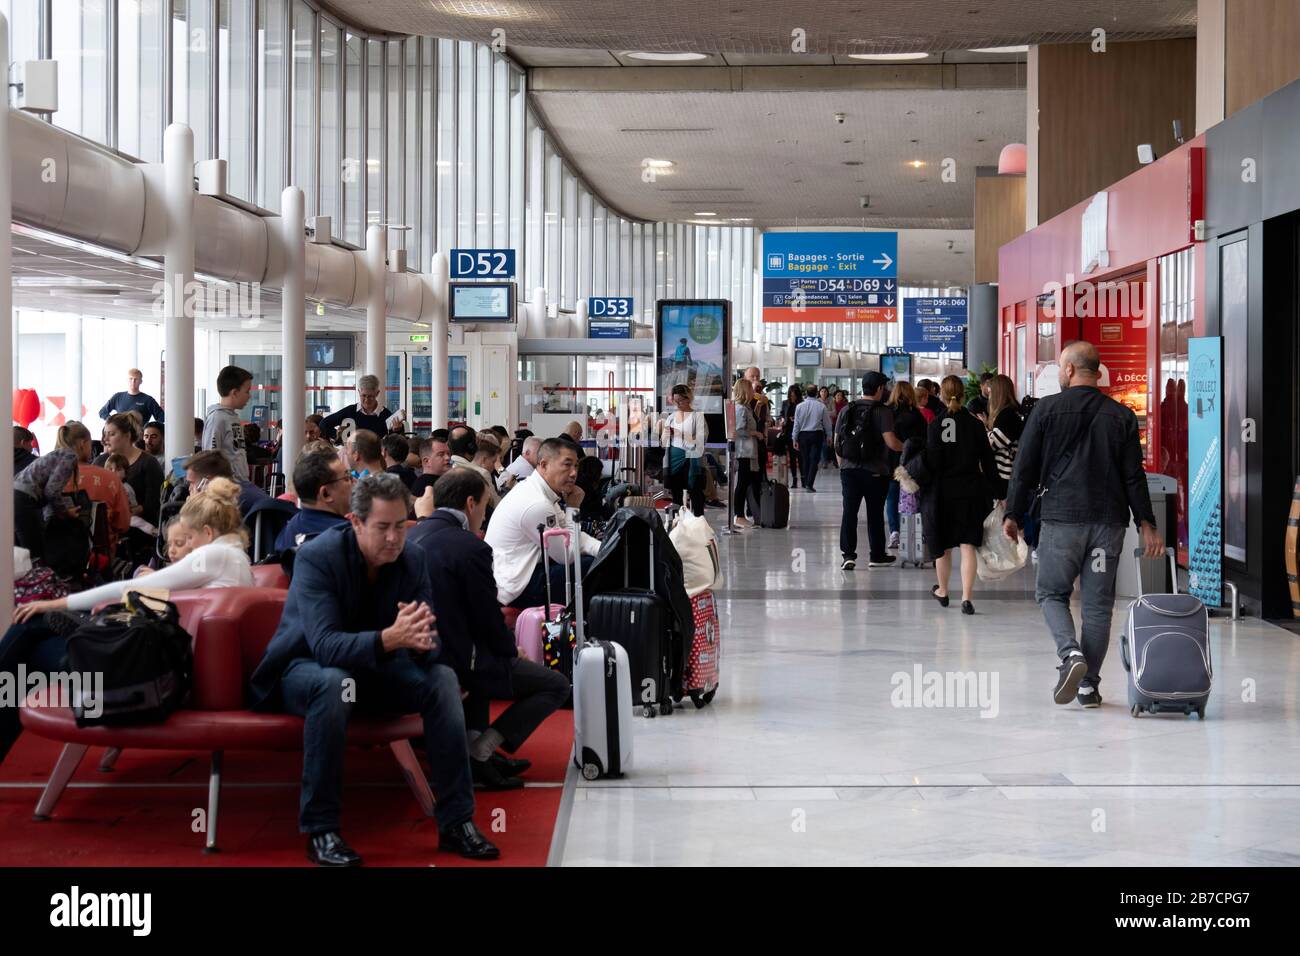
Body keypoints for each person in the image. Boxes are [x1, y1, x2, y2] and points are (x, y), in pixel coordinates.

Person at [248, 473, 498, 865]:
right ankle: (321, 831)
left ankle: (456, 822)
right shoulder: (317, 557)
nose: (394, 538)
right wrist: (391, 640)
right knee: (335, 683)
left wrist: (421, 646)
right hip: (305, 669)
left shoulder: (413, 559)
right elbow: (326, 646)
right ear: (355, 522)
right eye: (382, 528)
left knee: (442, 680)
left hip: (376, 670)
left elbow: (428, 638)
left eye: (401, 526)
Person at [2, 479, 254, 765]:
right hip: (169, 662)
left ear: (207, 533)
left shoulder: (213, 555)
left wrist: (55, 602)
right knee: (26, 656)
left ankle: (82, 627)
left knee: (30, 634)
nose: (185, 548)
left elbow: (126, 590)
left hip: (158, 668)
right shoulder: (235, 557)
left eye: (189, 539)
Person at [1004, 340, 1162, 709]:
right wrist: (1147, 522)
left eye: (1060, 367)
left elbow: (1023, 468)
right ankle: (1088, 685)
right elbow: (1133, 477)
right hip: (1107, 525)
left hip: (1062, 521)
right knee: (1097, 606)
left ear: (1070, 370)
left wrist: (1014, 512)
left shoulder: (1046, 410)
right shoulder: (1121, 416)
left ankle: (1070, 654)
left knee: (1051, 594)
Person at [408, 468, 569, 790]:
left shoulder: (410, 536)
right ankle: (482, 750)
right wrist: (511, 650)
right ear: (470, 503)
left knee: (482, 663)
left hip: (418, 653)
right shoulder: (469, 547)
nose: (484, 515)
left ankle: (474, 750)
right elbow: (485, 615)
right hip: (456, 657)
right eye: (484, 506)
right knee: (555, 685)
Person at [485, 438, 601, 608]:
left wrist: (602, 549)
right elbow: (567, 555)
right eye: (567, 465)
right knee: (592, 567)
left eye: (576, 466)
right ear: (544, 464)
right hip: (516, 586)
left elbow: (571, 534)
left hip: (526, 571)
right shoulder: (537, 503)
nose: (574, 473)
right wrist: (573, 508)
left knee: (597, 560)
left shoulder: (542, 492)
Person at [923, 375, 997, 615]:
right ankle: (966, 598)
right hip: (970, 490)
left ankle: (943, 591)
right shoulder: (975, 424)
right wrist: (999, 491)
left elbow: (931, 460)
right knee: (968, 545)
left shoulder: (935, 425)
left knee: (943, 546)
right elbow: (988, 461)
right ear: (963, 395)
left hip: (941, 492)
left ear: (941, 396)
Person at [835, 372, 902, 571]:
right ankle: (877, 556)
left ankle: (848, 555)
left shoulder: (847, 409)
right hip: (876, 471)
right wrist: (907, 446)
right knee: (874, 514)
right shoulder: (883, 411)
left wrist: (843, 465)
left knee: (849, 512)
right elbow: (891, 442)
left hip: (849, 470)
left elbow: (838, 442)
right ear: (880, 389)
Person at [13, 430, 82, 563]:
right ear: (83, 443)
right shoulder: (70, 456)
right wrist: (66, 513)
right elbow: (52, 491)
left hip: (14, 497)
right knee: (35, 555)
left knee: (22, 554)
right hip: (23, 500)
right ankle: (40, 583)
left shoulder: (55, 455)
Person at [94, 412, 164, 529]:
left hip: (138, 530)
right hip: (105, 529)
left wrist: (129, 511)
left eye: (111, 434)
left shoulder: (148, 463)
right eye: (105, 434)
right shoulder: (100, 461)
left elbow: (154, 503)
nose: (105, 439)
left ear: (127, 435)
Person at [274, 449, 353, 551]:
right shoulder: (347, 537)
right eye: (346, 478)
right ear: (326, 494)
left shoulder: (287, 533)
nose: (353, 482)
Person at [885, 381, 928, 550]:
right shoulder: (917, 415)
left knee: (892, 497)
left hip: (891, 462)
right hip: (912, 463)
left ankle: (894, 532)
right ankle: (914, 532)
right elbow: (924, 439)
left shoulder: (887, 413)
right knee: (913, 498)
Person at [658, 384, 709, 517]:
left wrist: (680, 433)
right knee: (676, 495)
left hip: (692, 459)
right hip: (673, 460)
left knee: (696, 493)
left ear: (688, 399)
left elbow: (701, 440)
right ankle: (677, 524)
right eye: (675, 401)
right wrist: (665, 433)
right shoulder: (670, 418)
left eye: (680, 400)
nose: (678, 404)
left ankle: (699, 524)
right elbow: (663, 443)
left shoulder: (697, 417)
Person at [202, 365, 253, 482]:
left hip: (241, 482)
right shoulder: (217, 418)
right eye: (247, 391)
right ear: (234, 392)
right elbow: (210, 456)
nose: (249, 396)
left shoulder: (233, 417)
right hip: (228, 486)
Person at [184, 449, 268, 516]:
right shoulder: (243, 489)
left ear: (206, 482)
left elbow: (203, 533)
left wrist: (194, 505)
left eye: (192, 482)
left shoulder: (226, 504)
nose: (189, 488)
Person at [318, 375, 396, 442]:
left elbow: (393, 441)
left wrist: (396, 430)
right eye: (363, 395)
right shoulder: (350, 411)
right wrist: (341, 438)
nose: (366, 400)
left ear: (377, 393)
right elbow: (324, 424)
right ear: (359, 392)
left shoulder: (386, 415)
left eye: (370, 396)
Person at [731, 378, 764, 529]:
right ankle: (739, 515)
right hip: (743, 451)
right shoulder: (740, 409)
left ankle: (747, 513)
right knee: (742, 484)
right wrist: (755, 433)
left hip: (749, 451)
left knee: (747, 483)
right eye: (750, 389)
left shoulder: (747, 408)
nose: (753, 392)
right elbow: (738, 430)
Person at [985, 374, 1023, 502]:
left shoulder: (1007, 416)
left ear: (998, 393)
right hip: (1008, 475)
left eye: (990, 393)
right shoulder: (1013, 412)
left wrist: (982, 429)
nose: (989, 398)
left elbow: (991, 444)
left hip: (1004, 476)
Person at [792, 384, 833, 492]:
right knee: (814, 460)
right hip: (817, 435)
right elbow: (827, 423)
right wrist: (829, 436)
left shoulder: (799, 406)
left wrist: (794, 438)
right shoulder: (821, 406)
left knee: (805, 459)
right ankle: (809, 484)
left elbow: (797, 424)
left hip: (803, 435)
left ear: (806, 393)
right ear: (816, 393)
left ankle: (806, 483)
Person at [98, 368, 164, 424]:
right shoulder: (117, 397)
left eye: (136, 379)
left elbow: (161, 417)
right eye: (130, 379)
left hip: (140, 437)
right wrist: (114, 423)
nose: (133, 381)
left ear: (141, 381)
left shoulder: (148, 400)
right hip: (121, 436)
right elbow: (102, 412)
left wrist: (149, 430)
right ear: (127, 380)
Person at [743, 367, 772, 478]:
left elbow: (767, 416)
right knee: (747, 475)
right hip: (746, 441)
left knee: (760, 473)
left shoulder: (762, 395)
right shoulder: (742, 395)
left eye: (757, 376)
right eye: (752, 376)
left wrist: (768, 422)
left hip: (760, 439)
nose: (755, 379)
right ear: (745, 378)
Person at [777, 385, 803, 489]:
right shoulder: (785, 403)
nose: (792, 397)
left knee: (800, 456)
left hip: (799, 432)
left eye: (794, 395)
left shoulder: (801, 403)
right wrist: (782, 419)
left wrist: (796, 419)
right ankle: (795, 479)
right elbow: (781, 414)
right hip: (788, 431)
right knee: (792, 457)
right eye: (791, 395)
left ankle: (803, 478)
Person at [412, 435, 452, 501]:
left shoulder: (445, 481)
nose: (448, 458)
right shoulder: (422, 487)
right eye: (441, 454)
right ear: (426, 461)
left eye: (448, 454)